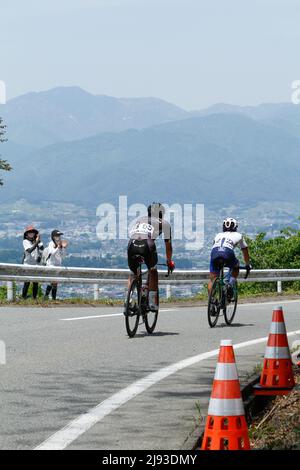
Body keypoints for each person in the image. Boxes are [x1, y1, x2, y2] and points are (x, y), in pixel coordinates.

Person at [126, 202, 175, 312]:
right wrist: (169, 261)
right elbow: (168, 246)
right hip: (147, 245)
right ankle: (152, 302)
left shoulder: (139, 220)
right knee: (153, 271)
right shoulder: (164, 223)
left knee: (134, 273)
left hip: (131, 244)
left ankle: (128, 301)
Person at [208, 217, 251, 300]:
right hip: (227, 252)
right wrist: (247, 264)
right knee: (236, 265)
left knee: (212, 280)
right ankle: (230, 285)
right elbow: (245, 250)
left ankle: (212, 301)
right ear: (235, 227)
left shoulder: (218, 235)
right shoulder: (239, 235)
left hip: (214, 253)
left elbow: (214, 245)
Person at [44, 230, 67, 300]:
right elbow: (52, 252)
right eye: (57, 236)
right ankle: (47, 296)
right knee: (52, 281)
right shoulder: (51, 243)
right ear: (53, 237)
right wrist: (57, 247)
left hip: (58, 266)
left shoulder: (60, 244)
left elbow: (63, 255)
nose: (59, 237)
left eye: (59, 236)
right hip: (51, 265)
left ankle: (51, 297)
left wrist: (63, 248)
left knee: (55, 282)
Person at [22, 225, 44, 299]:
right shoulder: (25, 241)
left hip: (36, 264)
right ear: (26, 234)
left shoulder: (36, 241)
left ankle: (34, 298)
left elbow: (42, 249)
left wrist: (38, 241)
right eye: (29, 232)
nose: (31, 233)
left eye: (33, 232)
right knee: (27, 282)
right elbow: (30, 250)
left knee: (35, 282)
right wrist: (37, 242)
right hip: (27, 264)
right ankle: (23, 297)